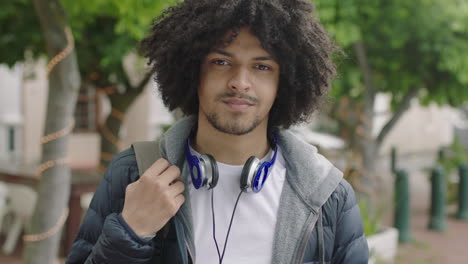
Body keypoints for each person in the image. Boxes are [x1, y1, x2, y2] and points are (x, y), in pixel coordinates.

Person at [67, 0, 369, 263]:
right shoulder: (132, 173)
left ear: (285, 83)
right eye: (221, 62)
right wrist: (130, 233)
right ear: (193, 72)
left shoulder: (328, 197)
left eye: (262, 67)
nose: (240, 82)